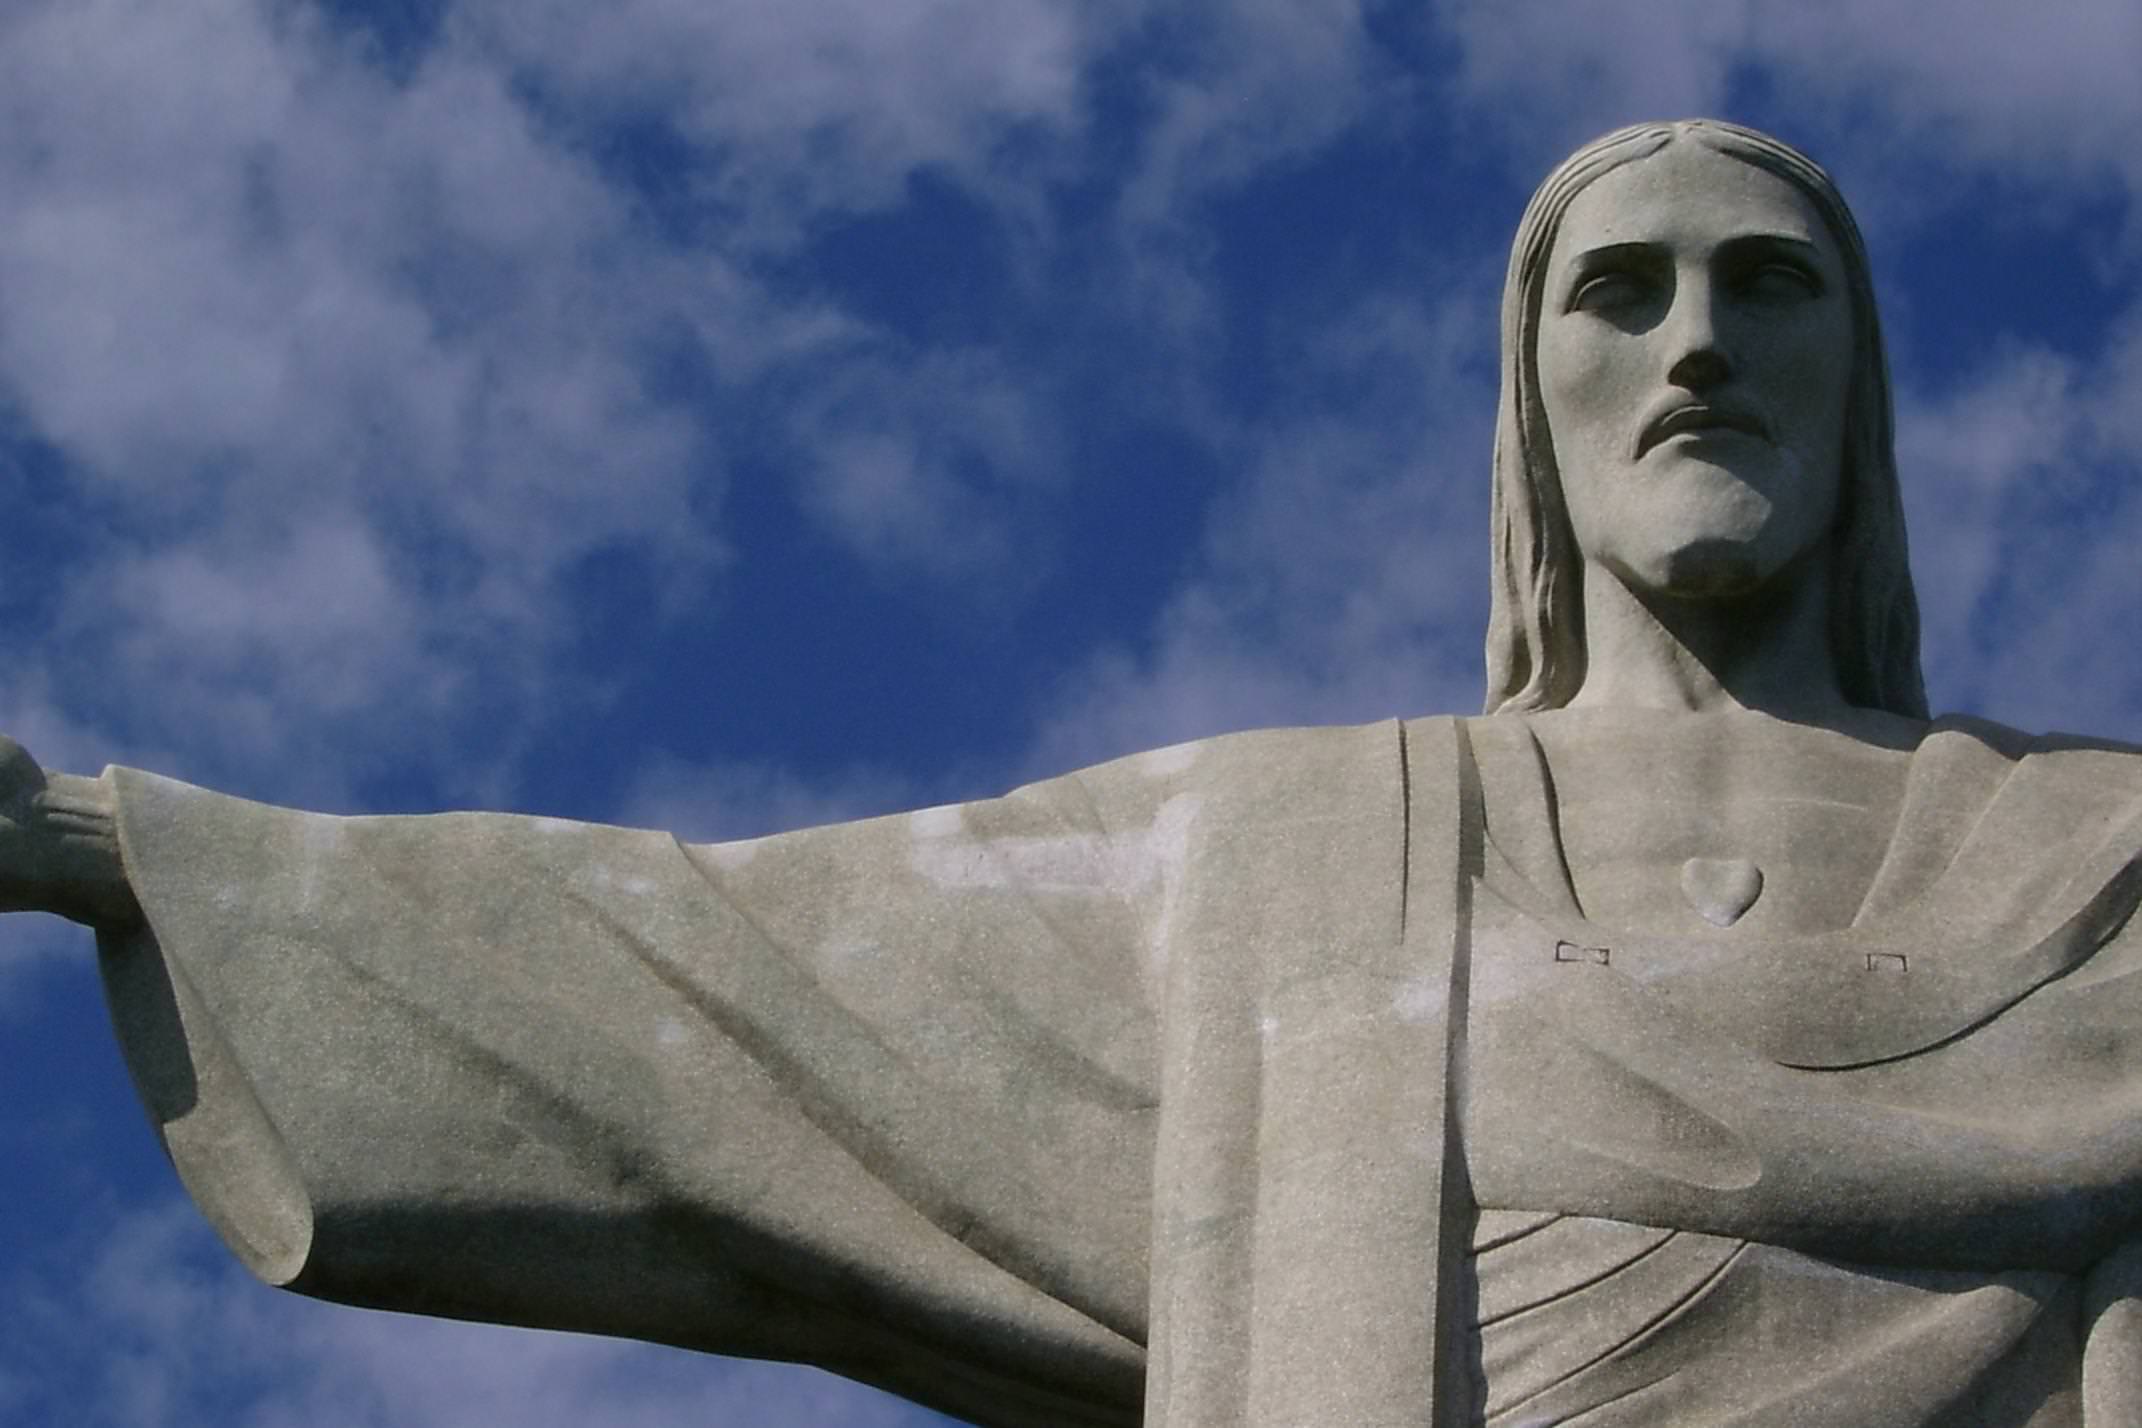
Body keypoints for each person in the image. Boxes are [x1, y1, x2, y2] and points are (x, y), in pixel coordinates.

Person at [7, 118, 2142, 1427]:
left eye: (1769, 289)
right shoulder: (1298, 856)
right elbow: (714, 970)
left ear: (1855, 388)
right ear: (1533, 401)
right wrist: (125, 852)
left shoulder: (2103, 854)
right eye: (1624, 292)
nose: (1697, 348)